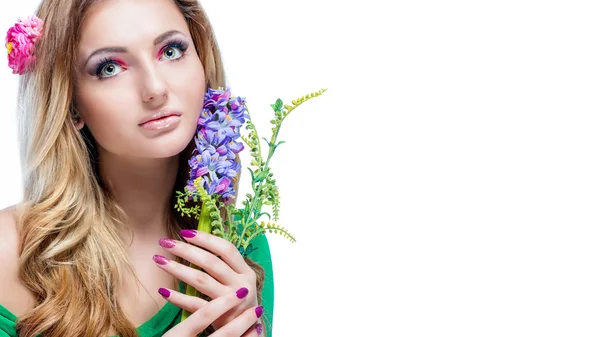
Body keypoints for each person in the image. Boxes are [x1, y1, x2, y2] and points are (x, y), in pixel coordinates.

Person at [0, 0, 274, 336]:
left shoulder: (239, 242)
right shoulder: (9, 254)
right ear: (71, 106)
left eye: (171, 50)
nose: (155, 89)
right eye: (110, 68)